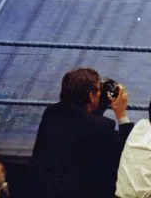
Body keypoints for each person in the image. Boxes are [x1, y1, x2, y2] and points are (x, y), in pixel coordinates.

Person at [30, 68, 133, 198]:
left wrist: (98, 104)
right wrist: (121, 113)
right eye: (98, 90)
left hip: (43, 189)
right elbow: (128, 151)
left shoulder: (51, 113)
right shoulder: (100, 127)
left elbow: (82, 120)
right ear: (91, 96)